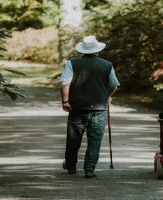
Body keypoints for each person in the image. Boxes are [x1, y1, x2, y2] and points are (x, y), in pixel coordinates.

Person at [58, 35, 120, 178]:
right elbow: (114, 86)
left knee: (73, 139)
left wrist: (65, 102)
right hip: (99, 109)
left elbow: (64, 83)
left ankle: (71, 166)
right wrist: (106, 96)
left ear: (83, 50)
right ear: (97, 50)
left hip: (77, 108)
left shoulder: (72, 63)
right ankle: (89, 169)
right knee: (95, 140)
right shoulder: (107, 65)